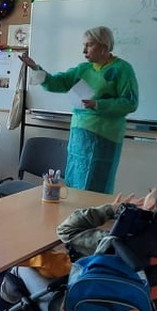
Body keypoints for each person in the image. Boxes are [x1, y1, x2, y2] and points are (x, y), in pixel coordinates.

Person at [0, 176, 157, 305]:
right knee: (49, 261)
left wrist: (112, 209)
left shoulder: (121, 244)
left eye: (147, 196)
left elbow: (66, 229)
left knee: (19, 266)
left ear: (150, 208)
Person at [20, 26, 138, 193]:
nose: (84, 50)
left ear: (103, 46)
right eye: (84, 45)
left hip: (104, 137)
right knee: (74, 181)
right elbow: (57, 82)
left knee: (95, 186)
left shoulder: (122, 69)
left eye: (89, 45)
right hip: (79, 135)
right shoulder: (83, 69)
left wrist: (98, 104)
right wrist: (36, 69)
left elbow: (130, 102)